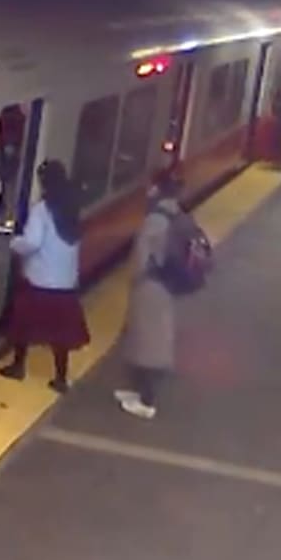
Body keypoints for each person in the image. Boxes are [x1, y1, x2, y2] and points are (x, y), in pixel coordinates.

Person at [0, 160, 90, 394]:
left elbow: (32, 243)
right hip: (65, 283)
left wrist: (13, 242)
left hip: (40, 280)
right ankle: (60, 377)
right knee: (61, 336)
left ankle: (18, 367)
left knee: (23, 326)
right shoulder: (71, 209)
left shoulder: (42, 210)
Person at [114, 169, 181, 419]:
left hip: (150, 288)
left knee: (148, 345)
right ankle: (138, 392)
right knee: (146, 341)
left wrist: (134, 279)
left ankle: (146, 400)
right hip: (162, 286)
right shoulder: (174, 214)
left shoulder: (155, 220)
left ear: (157, 189)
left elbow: (140, 258)